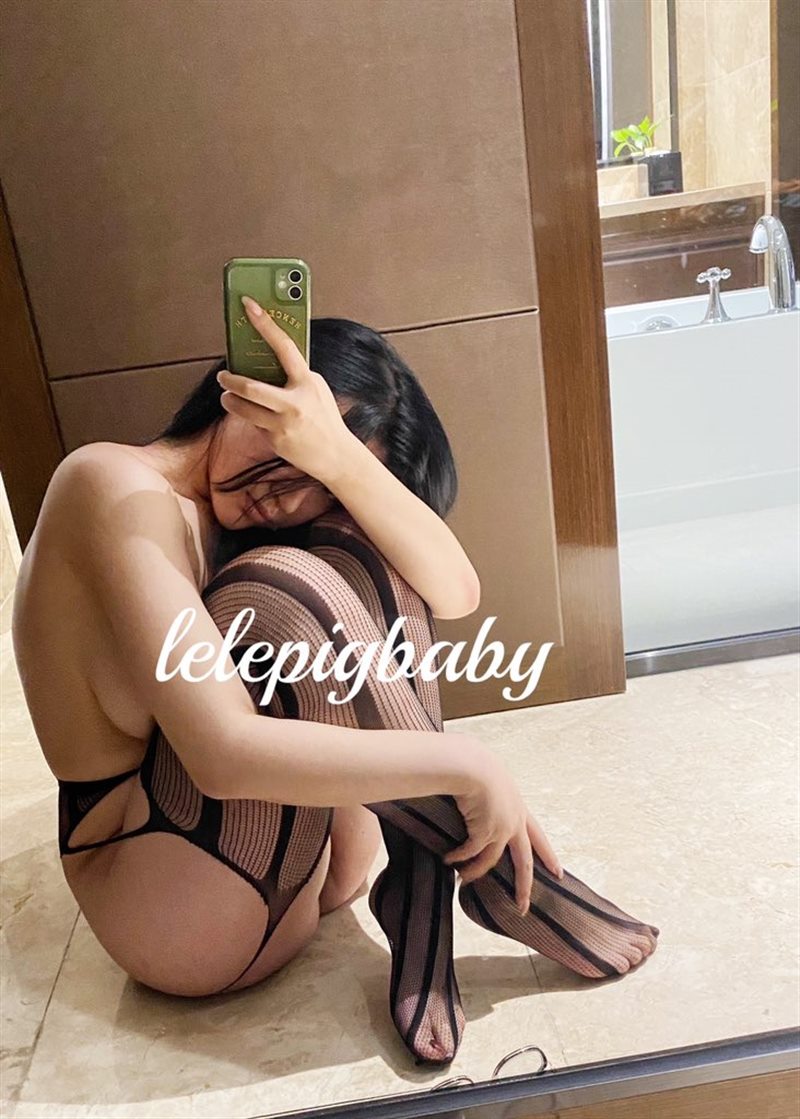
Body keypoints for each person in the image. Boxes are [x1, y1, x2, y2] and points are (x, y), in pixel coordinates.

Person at [11, 296, 658, 1067]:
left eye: (313, 473)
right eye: (286, 440)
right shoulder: (109, 483)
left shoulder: (246, 514)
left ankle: (421, 886)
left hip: (309, 871)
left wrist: (341, 465)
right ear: (251, 384)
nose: (288, 494)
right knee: (277, 586)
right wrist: (466, 764)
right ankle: (495, 877)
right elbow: (220, 754)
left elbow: (453, 591)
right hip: (168, 901)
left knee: (364, 551)